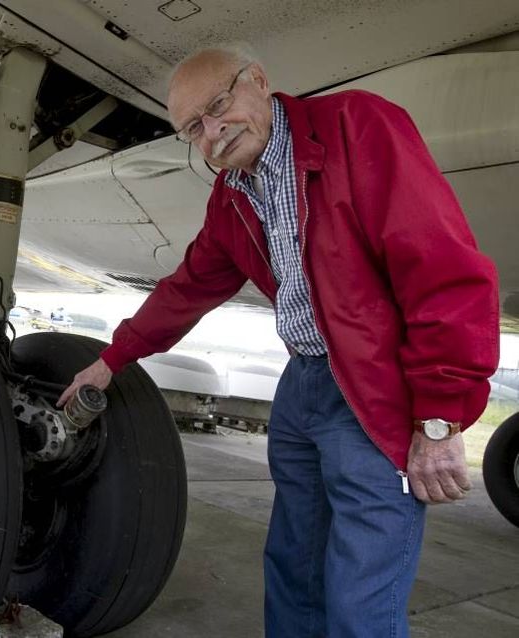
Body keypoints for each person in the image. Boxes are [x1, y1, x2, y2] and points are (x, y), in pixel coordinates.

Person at [57, 45, 499, 637]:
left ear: (258, 82)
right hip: (302, 388)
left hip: (372, 389)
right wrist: (112, 360)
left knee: (359, 596)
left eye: (219, 106)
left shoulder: (357, 126)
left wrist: (441, 418)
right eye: (194, 129)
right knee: (293, 571)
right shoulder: (235, 193)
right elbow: (189, 287)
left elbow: (441, 271)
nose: (213, 133)